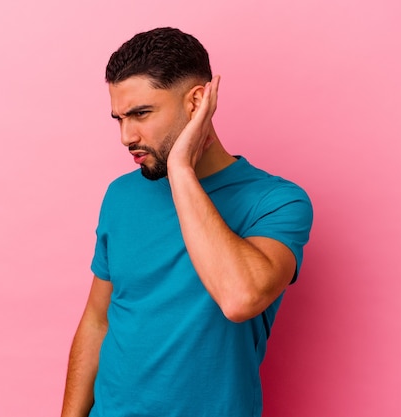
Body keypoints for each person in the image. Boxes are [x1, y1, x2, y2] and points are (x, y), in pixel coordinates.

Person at [61, 27, 313, 417]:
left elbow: (240, 297)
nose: (127, 136)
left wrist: (180, 169)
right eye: (119, 118)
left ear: (198, 102)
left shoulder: (276, 201)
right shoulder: (120, 196)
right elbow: (97, 321)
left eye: (141, 113)